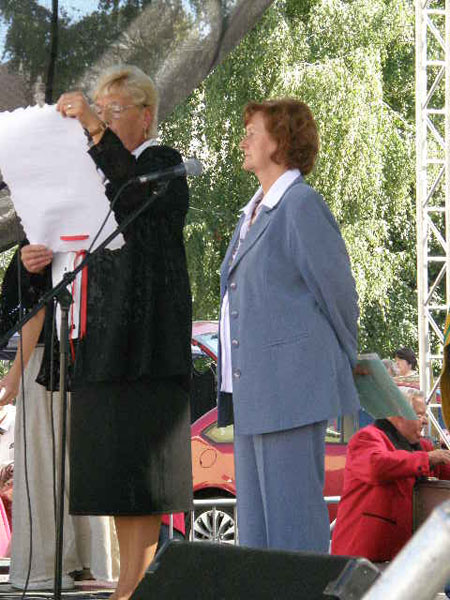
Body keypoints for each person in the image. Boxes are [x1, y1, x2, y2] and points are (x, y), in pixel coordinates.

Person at [1, 64, 193, 600]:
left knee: (142, 478)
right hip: (101, 344)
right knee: (116, 477)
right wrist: (36, 258)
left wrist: (90, 125)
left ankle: (133, 585)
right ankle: (128, 583)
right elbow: (73, 247)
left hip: (146, 347)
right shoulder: (97, 175)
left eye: (114, 110)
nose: (102, 120)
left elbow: (135, 203)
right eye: (100, 109)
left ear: (146, 116)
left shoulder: (160, 163)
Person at [217, 99, 359, 552]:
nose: (243, 141)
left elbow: (339, 294)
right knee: (257, 535)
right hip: (254, 393)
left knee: (293, 529)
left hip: (291, 391)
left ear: (279, 142)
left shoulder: (299, 205)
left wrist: (344, 364)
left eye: (252, 133)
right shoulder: (254, 212)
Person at [331, 388, 450, 562]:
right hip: (361, 556)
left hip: (397, 557)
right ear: (397, 414)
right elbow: (377, 466)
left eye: (425, 415)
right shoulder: (366, 438)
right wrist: (427, 459)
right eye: (419, 415)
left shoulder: (423, 447)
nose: (425, 421)